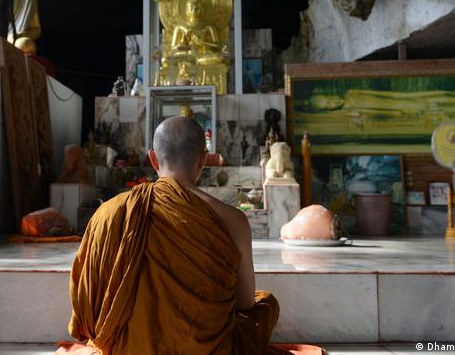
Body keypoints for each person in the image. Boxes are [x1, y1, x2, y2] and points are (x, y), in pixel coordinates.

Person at [63, 116, 320, 355]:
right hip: (208, 349)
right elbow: (243, 302)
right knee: (265, 303)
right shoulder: (234, 220)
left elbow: (86, 310)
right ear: (203, 160)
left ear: (153, 159)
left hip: (127, 348)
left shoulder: (111, 212)